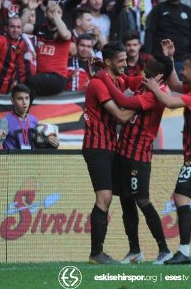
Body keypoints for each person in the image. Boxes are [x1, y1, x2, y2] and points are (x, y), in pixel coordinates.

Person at [96, 54, 174, 265]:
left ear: (159, 75)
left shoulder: (157, 95)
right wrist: (111, 72)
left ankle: (164, 250)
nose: (144, 68)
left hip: (138, 157)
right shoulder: (144, 84)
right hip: (123, 153)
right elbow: (126, 81)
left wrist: (102, 77)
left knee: (142, 200)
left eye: (150, 67)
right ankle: (134, 251)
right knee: (126, 201)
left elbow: (123, 101)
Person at [144, 42, 191, 265]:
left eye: (185, 68)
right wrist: (169, 59)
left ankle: (184, 252)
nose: (182, 71)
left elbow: (168, 101)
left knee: (180, 197)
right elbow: (175, 83)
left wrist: (152, 86)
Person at [82, 41, 135, 264]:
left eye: (125, 59)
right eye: (121, 60)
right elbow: (121, 116)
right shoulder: (97, 83)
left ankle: (109, 251)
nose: (125, 63)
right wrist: (147, 101)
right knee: (103, 197)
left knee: (114, 197)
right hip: (97, 146)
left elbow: (136, 80)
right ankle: (96, 253)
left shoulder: (118, 80)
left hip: (111, 145)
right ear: (108, 62)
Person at [0, 83, 60, 149]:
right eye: (20, 99)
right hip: (13, 162)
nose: (24, 102)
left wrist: (52, 145)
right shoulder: (5, 121)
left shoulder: (34, 120)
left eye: (27, 98)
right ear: (13, 101)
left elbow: (39, 146)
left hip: (31, 162)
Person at [26, 0, 72, 97]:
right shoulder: (39, 28)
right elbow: (18, 27)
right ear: (45, 14)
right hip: (40, 76)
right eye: (51, 11)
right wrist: (29, 9)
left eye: (59, 12)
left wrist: (54, 12)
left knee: (29, 82)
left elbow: (65, 34)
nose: (55, 13)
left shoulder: (65, 30)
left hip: (57, 77)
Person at [0, 16, 35, 95]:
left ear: (22, 30)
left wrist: (16, 83)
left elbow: (19, 67)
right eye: (12, 27)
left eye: (18, 27)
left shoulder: (23, 44)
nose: (15, 30)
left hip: (9, 93)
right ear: (6, 28)